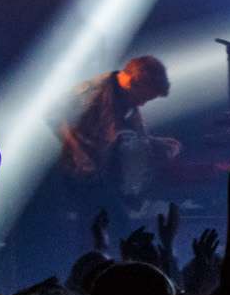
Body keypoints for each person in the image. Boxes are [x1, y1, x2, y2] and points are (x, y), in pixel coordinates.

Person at [54, 56, 179, 216]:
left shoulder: (127, 95)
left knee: (111, 220)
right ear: (131, 82)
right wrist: (78, 153)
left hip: (99, 171)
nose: (142, 104)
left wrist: (156, 142)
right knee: (108, 221)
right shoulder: (95, 91)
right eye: (142, 98)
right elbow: (54, 115)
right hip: (76, 172)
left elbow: (126, 131)